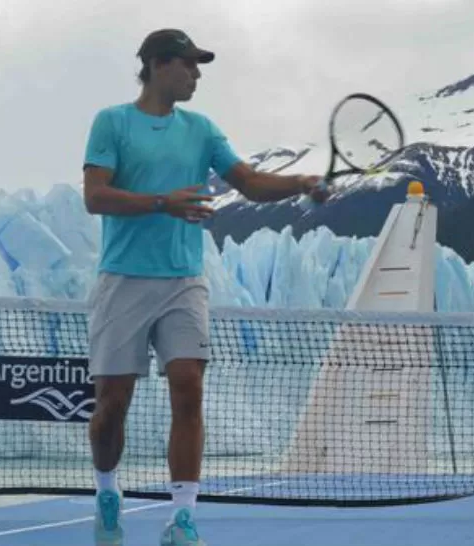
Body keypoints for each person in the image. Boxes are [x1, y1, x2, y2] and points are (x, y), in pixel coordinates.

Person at [81, 29, 327, 546]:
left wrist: (300, 183)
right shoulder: (112, 122)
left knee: (189, 386)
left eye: (198, 66)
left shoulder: (202, 129)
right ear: (156, 65)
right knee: (111, 406)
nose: (197, 75)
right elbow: (96, 196)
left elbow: (251, 182)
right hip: (123, 279)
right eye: (189, 65)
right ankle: (107, 489)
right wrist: (160, 203)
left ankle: (184, 517)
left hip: (183, 282)